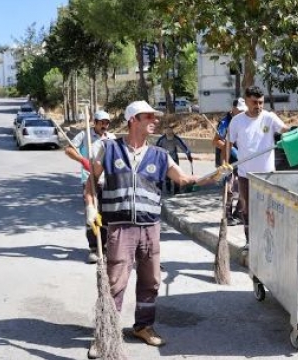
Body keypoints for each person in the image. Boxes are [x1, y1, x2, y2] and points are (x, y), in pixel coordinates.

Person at [83, 100, 226, 358]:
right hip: (120, 227)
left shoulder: (160, 155)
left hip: (150, 227)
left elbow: (183, 179)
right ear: (133, 120)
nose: (155, 121)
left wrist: (211, 177)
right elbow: (91, 184)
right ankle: (107, 332)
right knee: (115, 281)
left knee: (151, 280)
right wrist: (91, 210)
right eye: (149, 116)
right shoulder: (108, 149)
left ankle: (144, 326)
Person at [228, 86, 291, 250]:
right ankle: (250, 242)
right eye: (254, 102)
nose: (258, 106)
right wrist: (225, 163)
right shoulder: (237, 121)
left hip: (267, 175)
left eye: (261, 102)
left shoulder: (269, 118)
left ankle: (270, 241)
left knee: (269, 208)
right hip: (245, 174)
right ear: (246, 101)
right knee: (247, 208)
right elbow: (228, 142)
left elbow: (285, 130)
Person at [64, 110, 117, 264]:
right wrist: (82, 160)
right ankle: (94, 248)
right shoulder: (84, 135)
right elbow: (68, 150)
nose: (104, 125)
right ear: (95, 122)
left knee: (106, 215)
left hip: (107, 182)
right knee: (92, 214)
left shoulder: (111, 138)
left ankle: (105, 247)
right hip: (90, 181)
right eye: (101, 122)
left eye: (107, 123)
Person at [212, 98, 246, 225]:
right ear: (234, 108)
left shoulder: (244, 120)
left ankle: (239, 214)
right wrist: (228, 147)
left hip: (242, 159)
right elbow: (215, 141)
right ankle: (227, 216)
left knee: (243, 188)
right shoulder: (225, 123)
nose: (242, 113)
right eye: (240, 110)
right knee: (229, 189)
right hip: (227, 160)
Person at [155, 124, 193, 195]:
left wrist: (188, 155)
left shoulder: (176, 139)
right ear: (165, 131)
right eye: (168, 131)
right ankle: (168, 189)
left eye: (171, 131)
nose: (169, 133)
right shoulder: (162, 139)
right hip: (164, 159)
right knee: (166, 176)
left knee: (176, 174)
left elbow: (184, 147)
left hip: (174, 158)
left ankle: (176, 191)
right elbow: (156, 149)